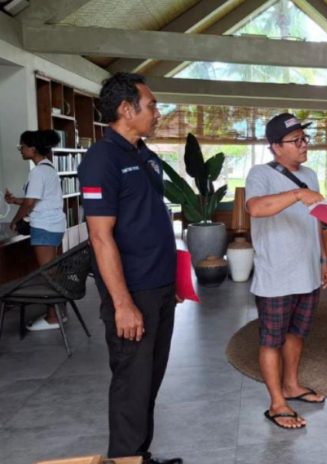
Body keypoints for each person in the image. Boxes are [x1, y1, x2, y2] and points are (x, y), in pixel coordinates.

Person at [77, 72, 182, 464]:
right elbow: (100, 237)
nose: (157, 112)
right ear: (126, 109)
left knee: (149, 381)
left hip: (159, 287)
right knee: (131, 385)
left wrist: (172, 281)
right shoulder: (102, 159)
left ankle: (139, 456)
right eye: (151, 105)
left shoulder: (144, 155)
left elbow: (150, 218)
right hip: (132, 292)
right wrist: (122, 304)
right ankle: (125, 458)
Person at [245, 112, 327, 430]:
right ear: (276, 147)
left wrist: (323, 259)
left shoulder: (310, 174)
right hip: (276, 275)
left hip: (307, 271)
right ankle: (276, 403)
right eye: (296, 140)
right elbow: (256, 208)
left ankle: (292, 385)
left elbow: (316, 219)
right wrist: (297, 194)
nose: (303, 144)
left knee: (297, 333)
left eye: (304, 138)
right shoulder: (260, 174)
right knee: (272, 339)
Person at [5, 129, 66, 331]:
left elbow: (31, 203)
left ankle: (53, 317)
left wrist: (15, 221)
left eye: (22, 146)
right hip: (54, 225)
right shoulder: (48, 168)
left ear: (33, 148)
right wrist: (15, 201)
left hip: (45, 227)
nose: (20, 150)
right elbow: (37, 199)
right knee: (52, 271)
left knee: (48, 274)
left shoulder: (38, 172)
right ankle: (60, 312)